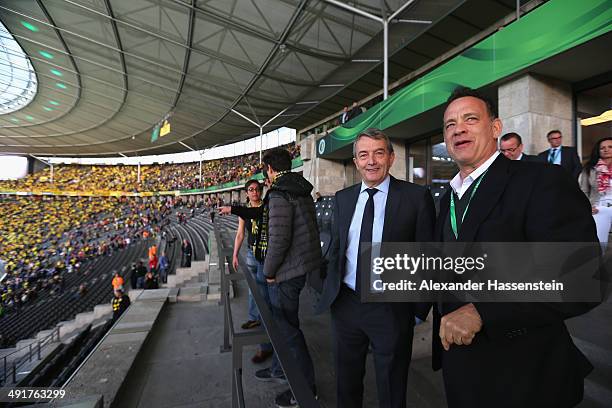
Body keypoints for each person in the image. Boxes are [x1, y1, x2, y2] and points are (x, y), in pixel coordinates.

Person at [435, 86, 598, 408]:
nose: (459, 129)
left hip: (526, 375)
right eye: (450, 124)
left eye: (470, 118)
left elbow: (581, 278)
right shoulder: (447, 198)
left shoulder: (541, 180)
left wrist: (486, 311)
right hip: (461, 370)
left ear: (495, 128)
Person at [315, 128, 435, 408]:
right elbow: (337, 248)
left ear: (391, 158)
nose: (371, 161)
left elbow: (427, 255)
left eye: (378, 153)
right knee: (346, 382)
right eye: (363, 155)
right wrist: (330, 290)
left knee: (392, 388)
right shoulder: (343, 198)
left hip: (391, 307)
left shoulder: (416, 197)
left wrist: (417, 310)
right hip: (346, 304)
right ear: (356, 161)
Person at [225, 148, 321, 407]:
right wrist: (235, 208)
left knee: (289, 332)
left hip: (287, 272)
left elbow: (278, 239)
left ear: (270, 169)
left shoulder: (280, 193)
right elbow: (266, 216)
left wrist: (268, 272)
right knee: (285, 328)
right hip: (302, 266)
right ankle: (281, 370)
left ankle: (305, 389)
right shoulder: (298, 189)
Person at [230, 180, 275, 363]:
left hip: (264, 253)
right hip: (251, 252)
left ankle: (265, 332)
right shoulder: (245, 211)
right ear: (246, 193)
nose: (254, 192)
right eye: (251, 190)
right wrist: (234, 255)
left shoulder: (266, 207)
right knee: (252, 288)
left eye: (257, 189)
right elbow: (240, 233)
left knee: (262, 292)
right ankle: (254, 317)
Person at [580, 137, 612, 249]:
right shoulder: (590, 169)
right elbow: (582, 191)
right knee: (598, 244)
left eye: (610, 147)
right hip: (599, 208)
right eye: (602, 148)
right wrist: (587, 206)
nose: (606, 149)